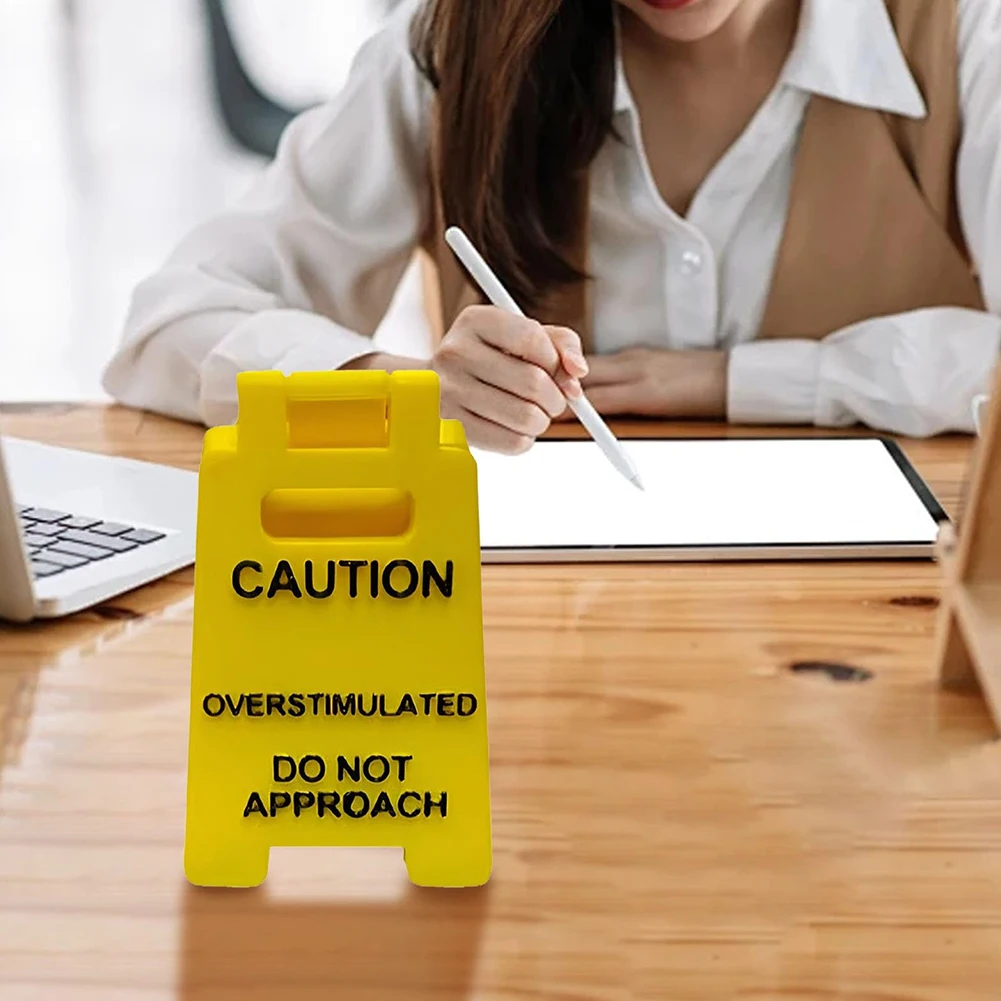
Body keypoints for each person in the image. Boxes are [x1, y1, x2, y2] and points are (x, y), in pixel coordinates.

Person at [103, 0, 1001, 454]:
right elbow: (167, 326)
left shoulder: (962, 36)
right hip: (543, 653)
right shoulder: (456, 45)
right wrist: (397, 393)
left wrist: (748, 380)